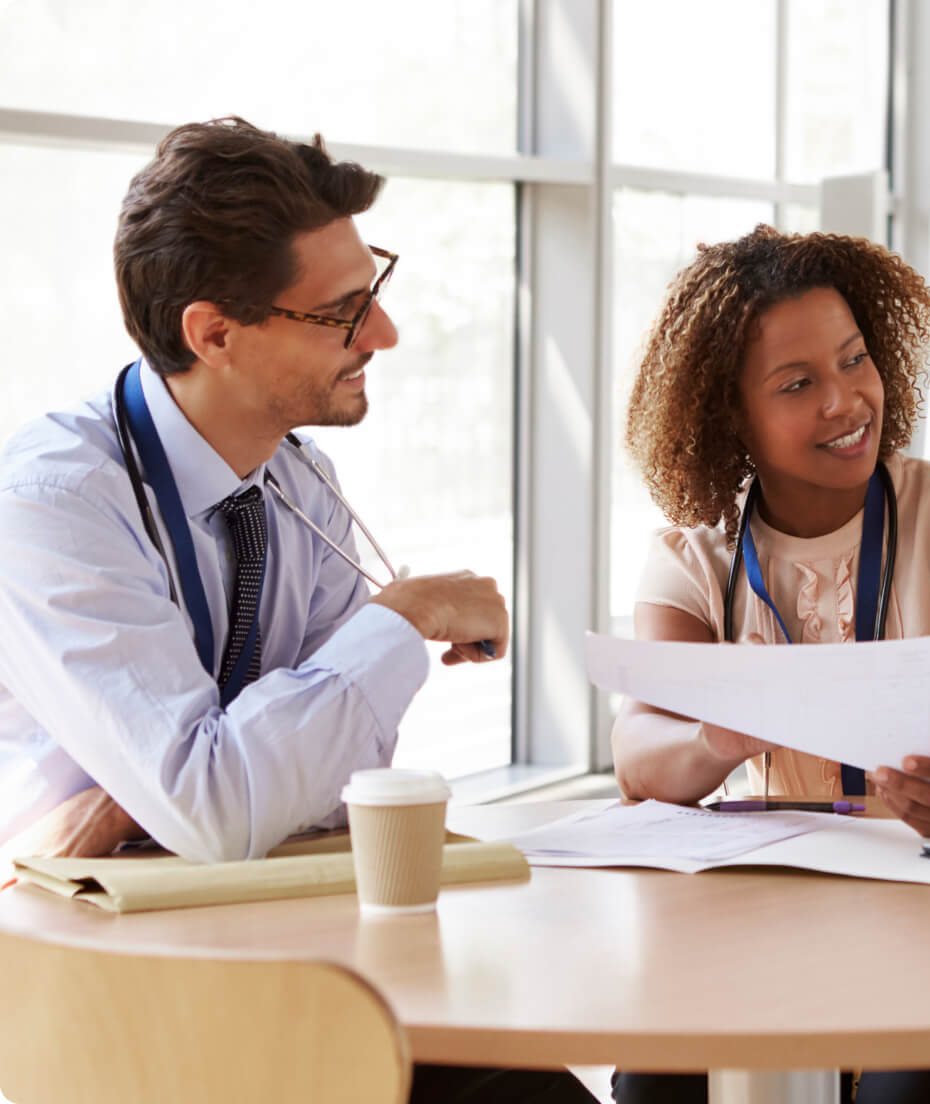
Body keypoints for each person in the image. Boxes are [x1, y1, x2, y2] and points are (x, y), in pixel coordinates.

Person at [0, 118, 591, 1104]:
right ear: (214, 333)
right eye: (342, 313)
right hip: (95, 986)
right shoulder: (55, 506)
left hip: (272, 940)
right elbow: (223, 807)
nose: (385, 336)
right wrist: (402, 617)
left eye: (376, 295)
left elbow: (324, 789)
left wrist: (130, 798)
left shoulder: (298, 484)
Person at [610, 225, 930, 1104]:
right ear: (730, 415)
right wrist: (716, 737)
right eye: (799, 385)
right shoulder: (695, 557)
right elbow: (640, 757)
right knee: (659, 1087)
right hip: (785, 918)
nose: (846, 402)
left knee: (899, 1099)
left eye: (856, 361)